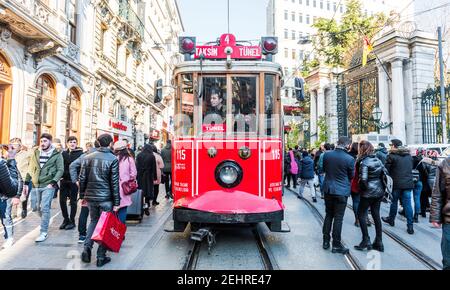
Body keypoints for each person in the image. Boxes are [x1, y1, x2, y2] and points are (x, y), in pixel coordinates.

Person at [79, 134, 120, 267]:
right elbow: (114, 182)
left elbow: (82, 178)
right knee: (105, 226)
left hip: (91, 197)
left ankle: (87, 248)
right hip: (106, 198)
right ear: (110, 144)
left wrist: (82, 196)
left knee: (93, 221)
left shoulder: (87, 157)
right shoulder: (113, 159)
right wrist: (117, 203)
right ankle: (101, 256)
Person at [22, 133, 64, 242]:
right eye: (41, 141)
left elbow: (60, 170)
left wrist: (53, 182)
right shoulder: (35, 153)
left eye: (45, 141)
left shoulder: (57, 154)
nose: (43, 143)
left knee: (45, 207)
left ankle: (43, 232)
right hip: (35, 184)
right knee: (34, 208)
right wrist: (26, 183)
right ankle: (46, 218)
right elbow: (30, 168)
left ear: (50, 142)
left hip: (48, 185)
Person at [322, 137, 354, 254]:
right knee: (338, 218)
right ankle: (336, 244)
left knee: (328, 215)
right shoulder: (350, 159)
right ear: (347, 145)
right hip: (341, 191)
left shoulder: (327, 155)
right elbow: (351, 176)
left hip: (328, 189)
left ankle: (326, 241)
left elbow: (324, 169)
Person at [353, 141, 386, 252]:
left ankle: (365, 239)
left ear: (362, 149)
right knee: (376, 214)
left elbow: (363, 179)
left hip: (368, 192)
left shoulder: (364, 162)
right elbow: (384, 175)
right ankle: (379, 241)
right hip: (379, 191)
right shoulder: (378, 160)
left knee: (361, 214)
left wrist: (362, 189)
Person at [382, 139, 415, 235]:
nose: (390, 146)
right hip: (408, 183)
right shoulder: (409, 156)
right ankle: (410, 226)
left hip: (396, 184)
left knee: (394, 202)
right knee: (407, 204)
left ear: (394, 146)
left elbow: (386, 169)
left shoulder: (391, 156)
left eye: (391, 145)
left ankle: (391, 219)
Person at [70, 140, 99, 244]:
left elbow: (72, 166)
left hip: (86, 188)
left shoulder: (85, 155)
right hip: (100, 189)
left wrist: (76, 181)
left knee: (84, 210)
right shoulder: (104, 155)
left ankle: (82, 235)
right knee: (100, 213)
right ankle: (99, 233)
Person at [430, 156, 450, 270]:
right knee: (448, 260)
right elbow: (437, 192)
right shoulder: (445, 164)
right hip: (449, 219)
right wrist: (435, 216)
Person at [59, 136, 84, 230]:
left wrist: (78, 179)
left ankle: (72, 221)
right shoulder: (63, 153)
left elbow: (82, 167)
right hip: (64, 180)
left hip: (74, 181)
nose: (72, 144)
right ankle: (66, 219)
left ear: (76, 144)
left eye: (74, 142)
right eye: (70, 142)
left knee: (73, 201)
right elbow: (60, 165)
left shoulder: (80, 154)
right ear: (67, 144)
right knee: (62, 201)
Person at [0, 143, 22, 249]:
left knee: (6, 218)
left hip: (4, 197)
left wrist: (17, 196)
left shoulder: (6, 164)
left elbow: (18, 179)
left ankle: (9, 238)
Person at [114, 140, 137, 224]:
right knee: (123, 209)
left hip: (112, 187)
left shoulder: (113, 158)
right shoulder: (129, 159)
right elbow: (133, 173)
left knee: (113, 209)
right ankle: (120, 231)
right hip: (124, 187)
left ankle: (113, 230)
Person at [8, 138, 32, 219]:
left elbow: (32, 165)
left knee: (24, 197)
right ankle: (13, 213)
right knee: (12, 195)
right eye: (12, 144)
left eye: (16, 145)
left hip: (24, 178)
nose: (14, 146)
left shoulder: (27, 154)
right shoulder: (9, 154)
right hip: (13, 178)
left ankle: (24, 208)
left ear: (20, 146)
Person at [136, 144, 157, 215]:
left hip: (140, 176)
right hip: (148, 176)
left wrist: (136, 176)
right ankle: (147, 207)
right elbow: (154, 168)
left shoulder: (139, 155)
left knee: (141, 192)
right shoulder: (152, 156)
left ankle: (140, 207)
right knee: (148, 192)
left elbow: (137, 166)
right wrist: (155, 177)